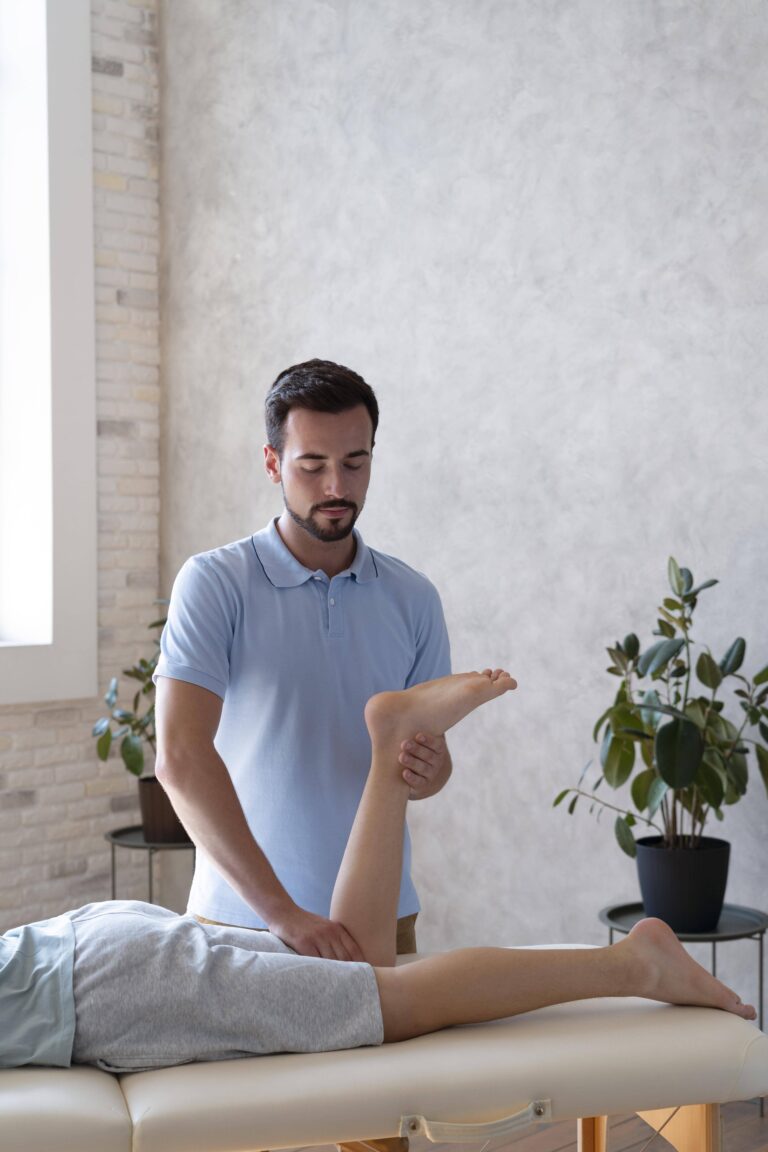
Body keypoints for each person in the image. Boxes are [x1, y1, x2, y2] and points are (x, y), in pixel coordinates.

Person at [1, 669, 755, 1072]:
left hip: (101, 994)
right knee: (360, 964)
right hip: (88, 952)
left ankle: (634, 966)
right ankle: (390, 743)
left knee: (390, 1003)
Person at [154, 360, 453, 959]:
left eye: (355, 463)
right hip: (242, 923)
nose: (336, 487)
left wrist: (431, 769)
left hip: (380, 917)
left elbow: (430, 767)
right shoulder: (215, 583)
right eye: (312, 465)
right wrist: (283, 914)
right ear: (273, 463)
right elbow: (180, 758)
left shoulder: (413, 597)